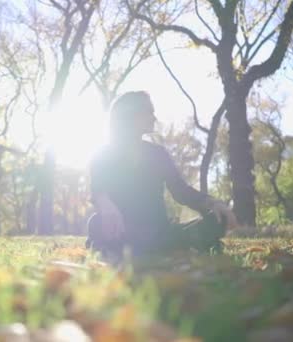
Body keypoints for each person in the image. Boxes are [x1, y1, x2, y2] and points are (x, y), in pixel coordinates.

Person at [86, 91, 238, 257]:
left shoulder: (157, 153)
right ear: (131, 115)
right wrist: (105, 203)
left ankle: (155, 245)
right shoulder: (104, 153)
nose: (154, 118)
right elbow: (97, 188)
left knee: (217, 220)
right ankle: (178, 243)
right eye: (149, 112)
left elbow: (181, 192)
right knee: (96, 223)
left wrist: (212, 203)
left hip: (160, 231)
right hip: (123, 229)